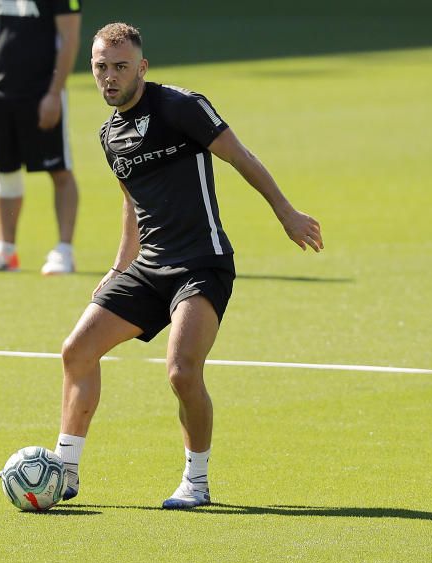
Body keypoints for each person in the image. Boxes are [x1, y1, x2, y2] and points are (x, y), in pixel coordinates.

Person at [52, 23, 323, 509]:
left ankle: (195, 481)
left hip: (202, 263)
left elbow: (240, 156)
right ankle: (65, 470)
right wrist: (120, 266)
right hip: (148, 268)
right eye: (100, 68)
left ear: (142, 67)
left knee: (180, 372)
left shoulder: (181, 107)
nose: (109, 77)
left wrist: (286, 212)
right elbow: (131, 201)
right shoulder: (109, 134)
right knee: (76, 351)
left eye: (120, 67)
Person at [0, 0, 82, 274]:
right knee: (3, 170)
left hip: (42, 94)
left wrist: (53, 94)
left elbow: (69, 37)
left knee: (59, 170)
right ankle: (6, 251)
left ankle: (64, 251)